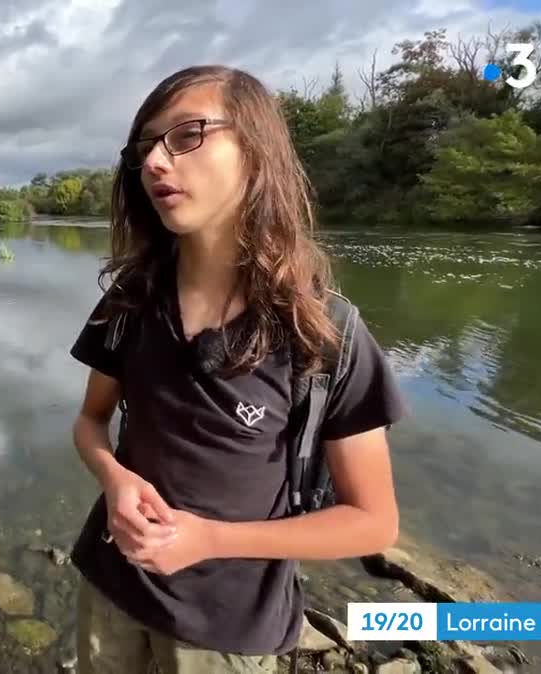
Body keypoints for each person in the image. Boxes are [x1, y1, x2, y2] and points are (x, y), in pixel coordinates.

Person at [67, 64, 408, 674]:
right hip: (110, 588)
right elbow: (91, 423)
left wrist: (212, 541)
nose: (155, 162)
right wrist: (114, 480)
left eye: (187, 134)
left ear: (256, 151)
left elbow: (373, 523)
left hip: (224, 632)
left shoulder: (325, 335)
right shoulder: (130, 301)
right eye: (145, 146)